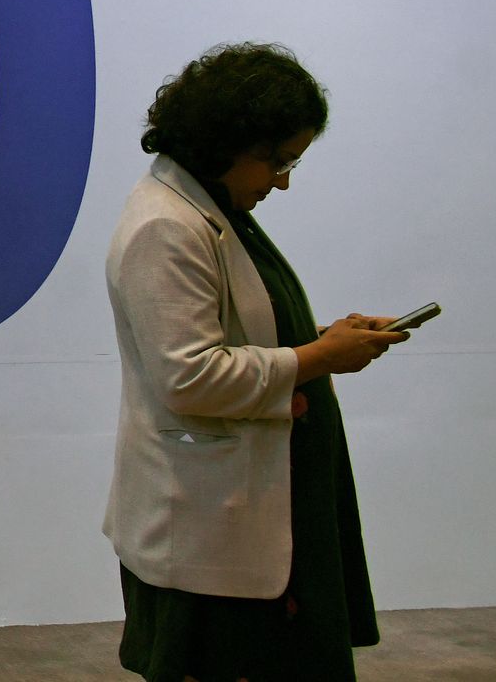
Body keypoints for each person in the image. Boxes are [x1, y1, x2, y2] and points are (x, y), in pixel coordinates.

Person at [103, 42, 409, 682]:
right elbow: (188, 376)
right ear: (228, 140)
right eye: (278, 160)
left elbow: (237, 329)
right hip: (206, 519)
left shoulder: (212, 207)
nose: (284, 180)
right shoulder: (167, 226)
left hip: (253, 501)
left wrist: (325, 337)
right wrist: (319, 356)